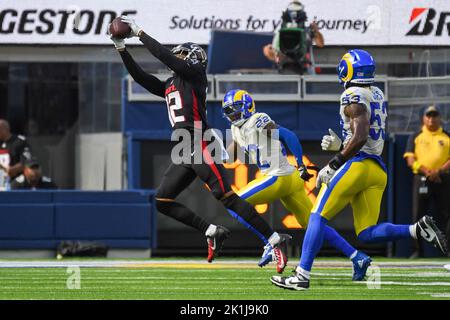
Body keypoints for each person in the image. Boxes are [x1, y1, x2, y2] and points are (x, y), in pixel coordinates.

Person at [110, 16, 290, 272]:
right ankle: (212, 231)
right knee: (162, 200)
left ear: (193, 59)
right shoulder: (171, 84)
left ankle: (275, 240)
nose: (178, 57)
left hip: (199, 141)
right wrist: (121, 48)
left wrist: (140, 33)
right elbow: (140, 77)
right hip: (184, 147)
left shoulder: (194, 75)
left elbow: (165, 57)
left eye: (183, 54)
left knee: (226, 197)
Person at [271, 49, 448, 291]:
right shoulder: (376, 92)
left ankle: (302, 275)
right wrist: (342, 144)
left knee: (317, 216)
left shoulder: (352, 94)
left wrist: (334, 162)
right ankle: (416, 229)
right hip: (377, 169)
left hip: (358, 165)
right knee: (366, 233)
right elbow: (364, 134)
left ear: (347, 70)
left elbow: (361, 135)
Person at [222, 89, 372, 281]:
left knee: (233, 203)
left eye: (235, 111)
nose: (232, 115)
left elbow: (288, 135)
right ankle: (357, 257)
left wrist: (301, 163)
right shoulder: (237, 128)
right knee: (313, 225)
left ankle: (272, 241)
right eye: (228, 112)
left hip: (279, 175)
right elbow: (230, 156)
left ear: (247, 107)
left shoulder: (257, 120)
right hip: (289, 179)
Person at [404, 105, 450, 257]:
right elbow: (410, 160)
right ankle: (417, 251)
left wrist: (439, 171)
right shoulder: (416, 136)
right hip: (421, 179)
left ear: (440, 118)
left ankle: (448, 250)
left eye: (434, 115)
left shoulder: (446, 136)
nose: (431, 119)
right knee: (418, 215)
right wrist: (427, 171)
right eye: (428, 116)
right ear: (423, 118)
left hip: (442, 179)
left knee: (447, 215)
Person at [263, 1, 324, 75]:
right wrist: (269, 51)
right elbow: (274, 54)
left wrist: (316, 31)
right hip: (286, 70)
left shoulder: (306, 31)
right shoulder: (281, 32)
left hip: (305, 70)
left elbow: (320, 44)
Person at [0, 119, 32, 190]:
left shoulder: (19, 142)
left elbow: (27, 161)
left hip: (17, 183)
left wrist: (13, 169)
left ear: (4, 129)